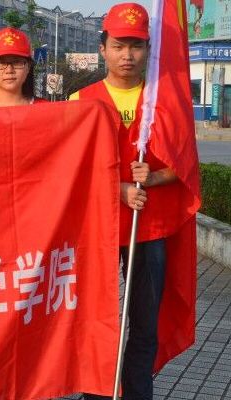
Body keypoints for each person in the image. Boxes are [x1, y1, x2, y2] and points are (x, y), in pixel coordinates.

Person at [70, 3, 191, 399]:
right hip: (97, 231)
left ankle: (138, 392)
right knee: (97, 321)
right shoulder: (80, 100)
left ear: (148, 50)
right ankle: (97, 393)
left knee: (143, 326)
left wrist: (153, 177)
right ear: (102, 48)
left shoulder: (164, 100)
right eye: (119, 45)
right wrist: (118, 189)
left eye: (136, 46)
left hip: (148, 228)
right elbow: (69, 170)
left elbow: (186, 164)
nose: (127, 55)